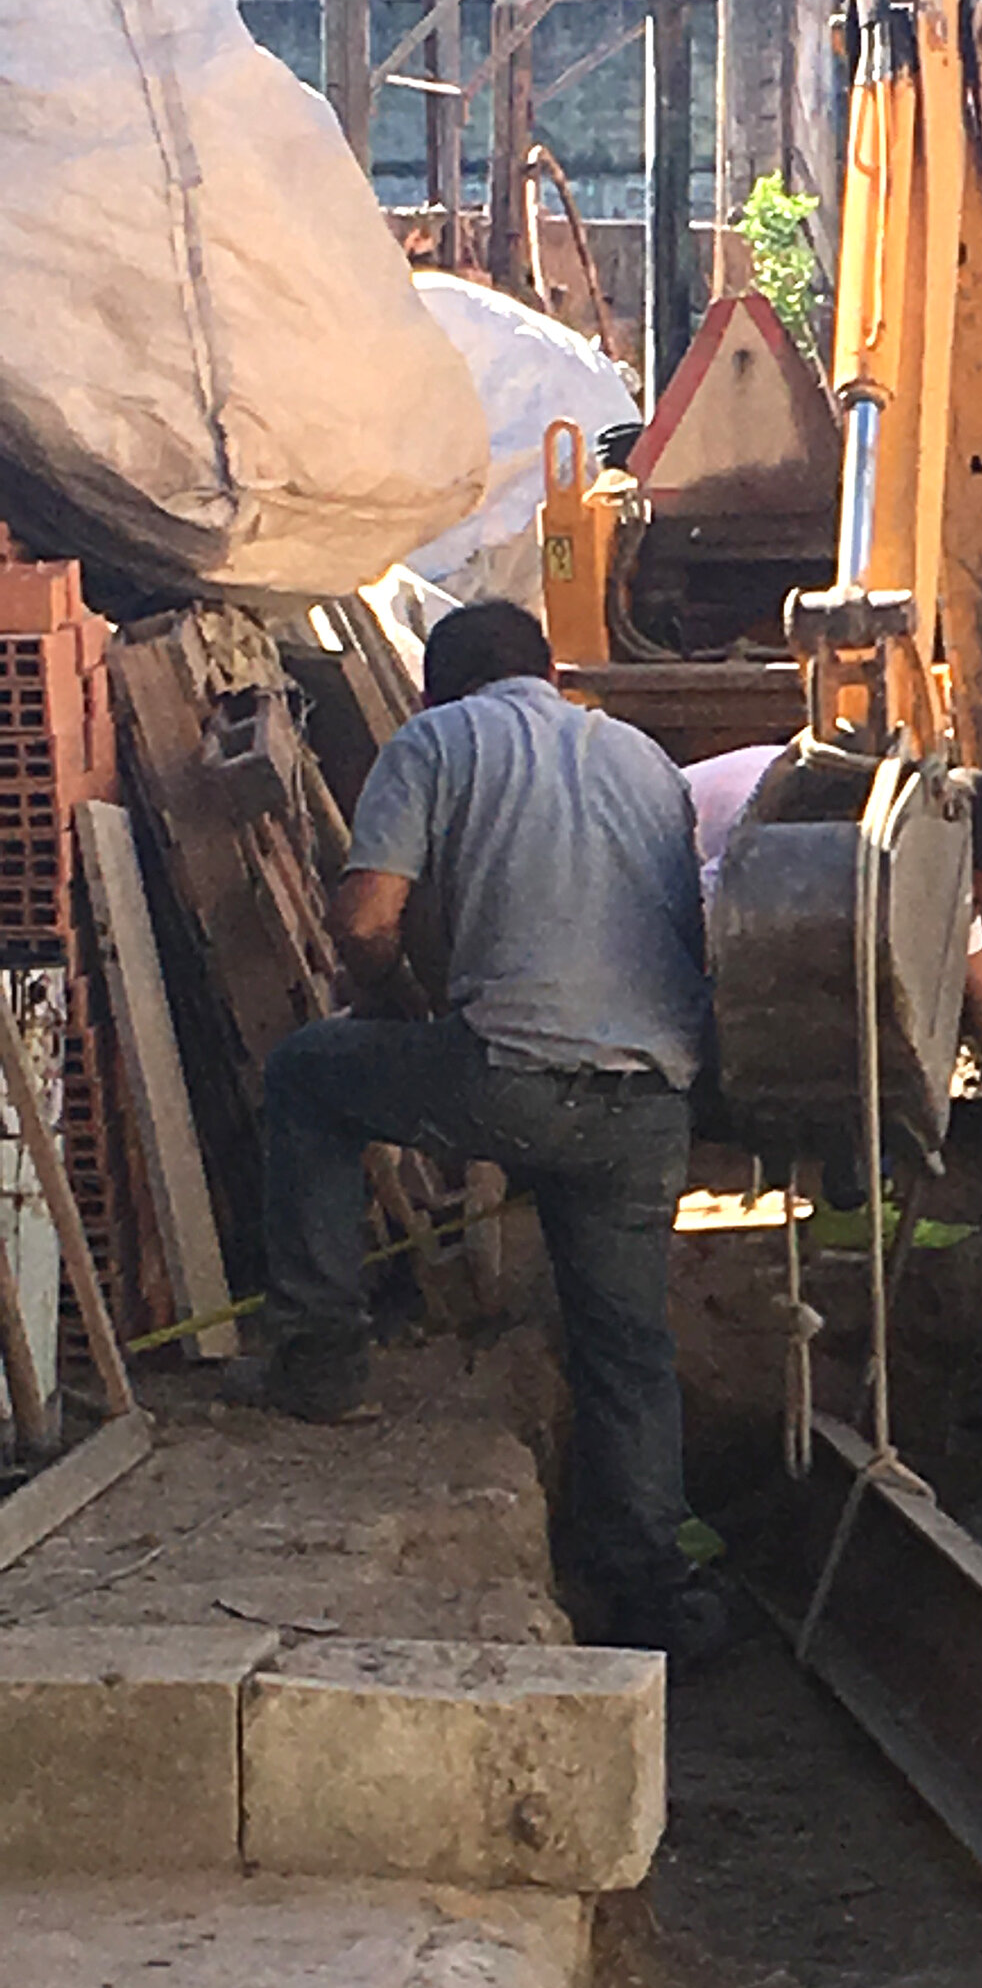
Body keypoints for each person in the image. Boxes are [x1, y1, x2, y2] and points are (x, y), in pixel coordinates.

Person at [256, 598, 728, 1665]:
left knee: (306, 1078)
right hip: (650, 1100)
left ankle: (323, 1363)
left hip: (507, 1078)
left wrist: (387, 1003)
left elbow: (365, 918)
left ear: (438, 687)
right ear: (551, 672)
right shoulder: (646, 760)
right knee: (626, 1346)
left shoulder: (436, 740)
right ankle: (652, 1583)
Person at [684, 746, 982, 1234]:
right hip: (657, 906)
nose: (969, 917)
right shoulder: (832, 835)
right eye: (971, 903)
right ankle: (849, 1207)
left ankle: (854, 1203)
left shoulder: (932, 856)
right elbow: (731, 949)